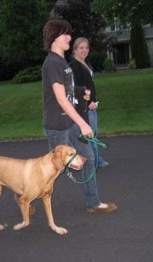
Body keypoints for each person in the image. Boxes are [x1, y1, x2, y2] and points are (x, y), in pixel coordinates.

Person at [42, 19, 117, 213]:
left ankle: (93, 203)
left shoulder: (62, 62)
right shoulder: (52, 63)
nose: (69, 37)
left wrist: (80, 93)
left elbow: (67, 91)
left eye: (69, 33)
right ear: (53, 38)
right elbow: (59, 98)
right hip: (57, 124)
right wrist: (83, 123)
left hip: (70, 121)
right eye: (65, 34)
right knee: (53, 170)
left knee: (89, 158)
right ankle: (23, 192)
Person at [69, 37, 108, 168]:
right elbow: (76, 89)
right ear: (75, 50)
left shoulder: (86, 64)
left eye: (86, 48)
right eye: (81, 48)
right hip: (85, 107)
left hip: (92, 105)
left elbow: (89, 84)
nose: (84, 50)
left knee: (91, 134)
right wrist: (89, 103)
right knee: (90, 135)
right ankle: (94, 161)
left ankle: (92, 159)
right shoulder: (74, 67)